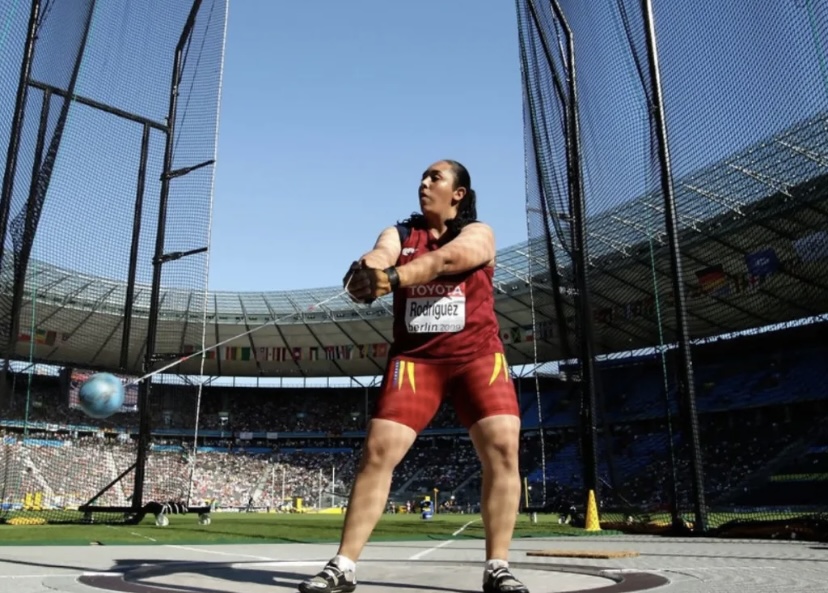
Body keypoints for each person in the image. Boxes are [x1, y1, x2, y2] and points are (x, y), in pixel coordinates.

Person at [298, 160, 528, 593]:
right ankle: (342, 565)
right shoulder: (401, 234)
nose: (424, 183)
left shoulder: (478, 233)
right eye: (422, 177)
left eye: (435, 177)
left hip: (477, 358)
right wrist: (368, 272)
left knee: (502, 446)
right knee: (378, 451)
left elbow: (448, 260)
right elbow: (380, 254)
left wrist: (394, 277)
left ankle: (497, 566)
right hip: (416, 363)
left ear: (458, 193)